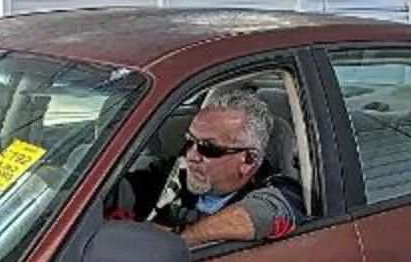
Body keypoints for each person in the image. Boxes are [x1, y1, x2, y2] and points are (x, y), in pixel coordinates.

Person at [123, 88, 307, 244]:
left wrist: (178, 239)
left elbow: (263, 214)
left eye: (208, 148)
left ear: (248, 160)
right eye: (190, 141)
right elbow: (128, 188)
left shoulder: (280, 189)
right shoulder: (177, 170)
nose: (191, 156)